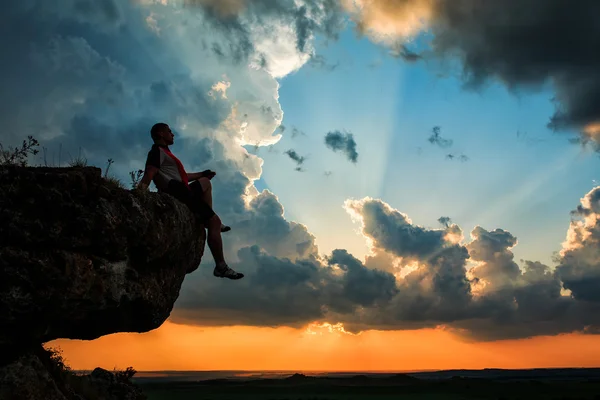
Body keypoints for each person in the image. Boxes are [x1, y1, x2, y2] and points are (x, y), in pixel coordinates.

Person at [136, 122, 244, 280]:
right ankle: (221, 266)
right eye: (169, 131)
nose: (172, 134)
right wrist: (139, 193)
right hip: (177, 193)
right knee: (215, 221)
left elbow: (183, 177)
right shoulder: (156, 152)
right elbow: (149, 174)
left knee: (206, 182)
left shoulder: (165, 153)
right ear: (160, 134)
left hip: (182, 189)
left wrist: (202, 174)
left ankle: (208, 218)